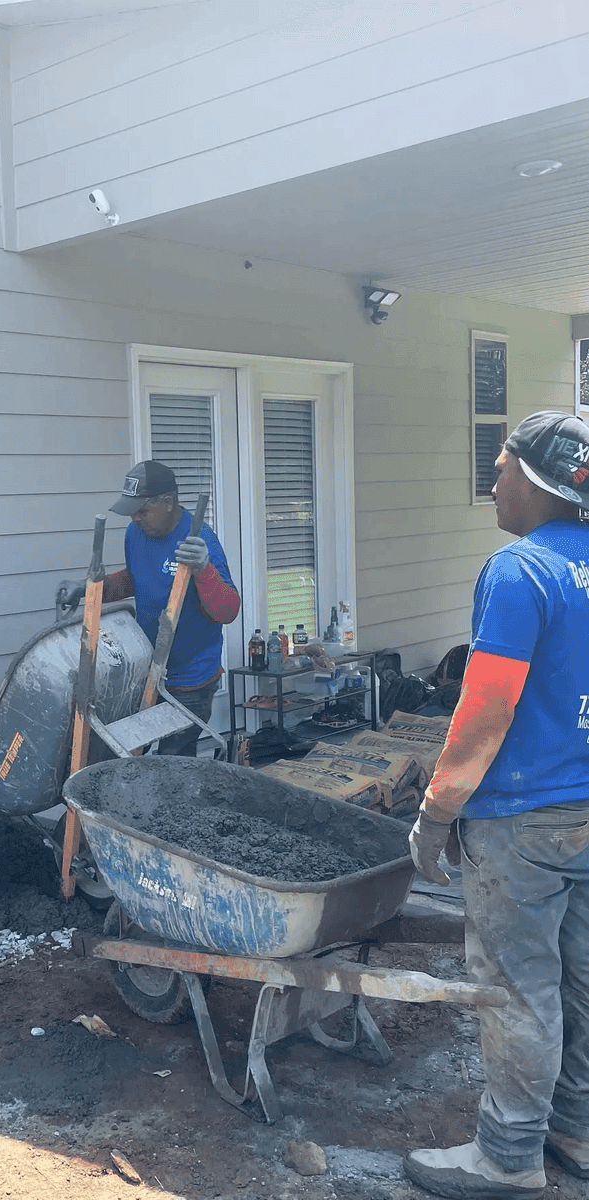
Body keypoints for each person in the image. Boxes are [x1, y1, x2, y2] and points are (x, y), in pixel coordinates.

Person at [405, 411, 589, 1198]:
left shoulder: (520, 572)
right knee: (580, 979)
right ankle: (574, 1129)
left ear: (535, 482)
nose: (492, 482)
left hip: (523, 820)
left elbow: (485, 710)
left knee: (517, 985)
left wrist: (436, 812)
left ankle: (508, 1158)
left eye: (501, 466)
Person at [61, 461, 240, 755]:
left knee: (173, 764)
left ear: (168, 503)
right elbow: (136, 579)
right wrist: (90, 588)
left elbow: (228, 611)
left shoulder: (199, 541)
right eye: (132, 510)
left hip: (191, 680)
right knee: (128, 754)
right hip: (148, 671)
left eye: (142, 510)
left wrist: (204, 569)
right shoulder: (136, 534)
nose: (136, 517)